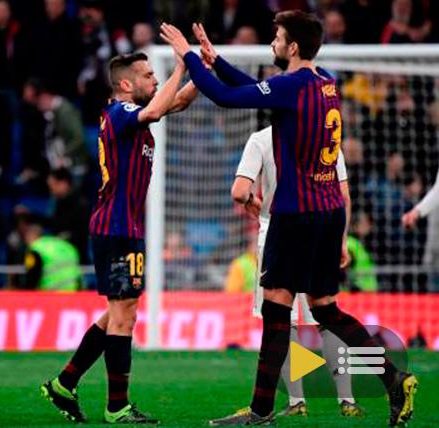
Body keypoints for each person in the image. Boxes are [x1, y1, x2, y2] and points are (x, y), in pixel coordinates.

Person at [163, 12, 416, 426]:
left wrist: (188, 57)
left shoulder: (290, 86)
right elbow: (258, 89)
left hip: (296, 214)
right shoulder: (324, 81)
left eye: (277, 38)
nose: (272, 44)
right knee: (326, 310)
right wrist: (216, 60)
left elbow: (228, 98)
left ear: (292, 46)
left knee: (277, 312)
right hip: (329, 210)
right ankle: (395, 379)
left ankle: (261, 410)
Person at [40, 43, 199, 423]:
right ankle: (117, 407)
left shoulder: (132, 115)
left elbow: (174, 103)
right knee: (124, 315)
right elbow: (161, 106)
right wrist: (181, 65)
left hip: (123, 227)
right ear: (125, 85)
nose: (155, 79)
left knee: (117, 314)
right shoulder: (121, 112)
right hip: (115, 228)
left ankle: (64, 384)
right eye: (148, 76)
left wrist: (203, 71)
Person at [231, 126, 365, 417]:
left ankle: (296, 402)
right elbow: (343, 195)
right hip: (321, 230)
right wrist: (341, 240)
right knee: (326, 314)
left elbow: (239, 191)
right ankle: (347, 400)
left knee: (282, 321)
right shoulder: (325, 137)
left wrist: (259, 206)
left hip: (278, 231)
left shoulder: (262, 139)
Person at [19, 214, 82, 291]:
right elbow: (78, 275)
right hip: (72, 294)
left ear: (29, 235)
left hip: (49, 295)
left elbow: (32, 276)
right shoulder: (67, 246)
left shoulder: (35, 249)